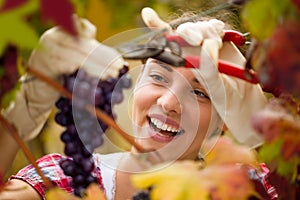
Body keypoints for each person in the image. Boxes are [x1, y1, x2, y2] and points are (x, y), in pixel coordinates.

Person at [0, 7, 269, 200]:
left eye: (200, 93)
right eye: (158, 77)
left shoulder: (241, 188)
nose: (167, 102)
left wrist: (258, 132)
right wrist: (20, 117)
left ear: (224, 120)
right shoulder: (66, 178)